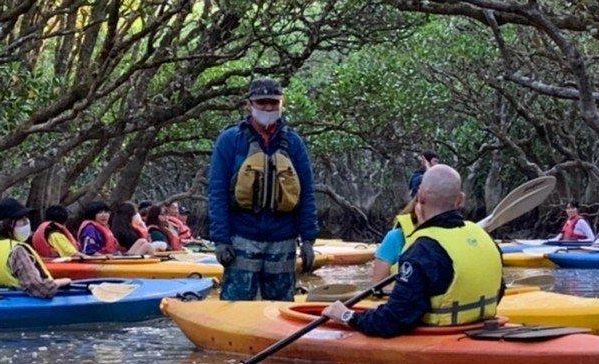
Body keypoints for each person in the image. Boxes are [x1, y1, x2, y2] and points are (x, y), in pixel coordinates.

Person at [324, 165, 503, 337]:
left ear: (421, 196)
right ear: (460, 199)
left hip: (440, 337)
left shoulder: (422, 250)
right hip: (483, 329)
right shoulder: (485, 238)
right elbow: (499, 290)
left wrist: (348, 316)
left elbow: (393, 321)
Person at [208, 77, 319, 302]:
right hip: (242, 236)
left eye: (273, 103)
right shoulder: (230, 141)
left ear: (281, 104)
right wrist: (221, 240)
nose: (268, 108)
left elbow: (306, 193)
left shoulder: (294, 143)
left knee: (280, 305)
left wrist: (308, 239)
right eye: (262, 103)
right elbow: (217, 192)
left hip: (283, 237)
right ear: (249, 104)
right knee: (236, 303)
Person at [0, 197, 69, 298]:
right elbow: (41, 289)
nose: (26, 222)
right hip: (21, 304)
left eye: (26, 218)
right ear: (7, 224)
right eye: (21, 219)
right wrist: (62, 282)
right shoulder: (17, 250)